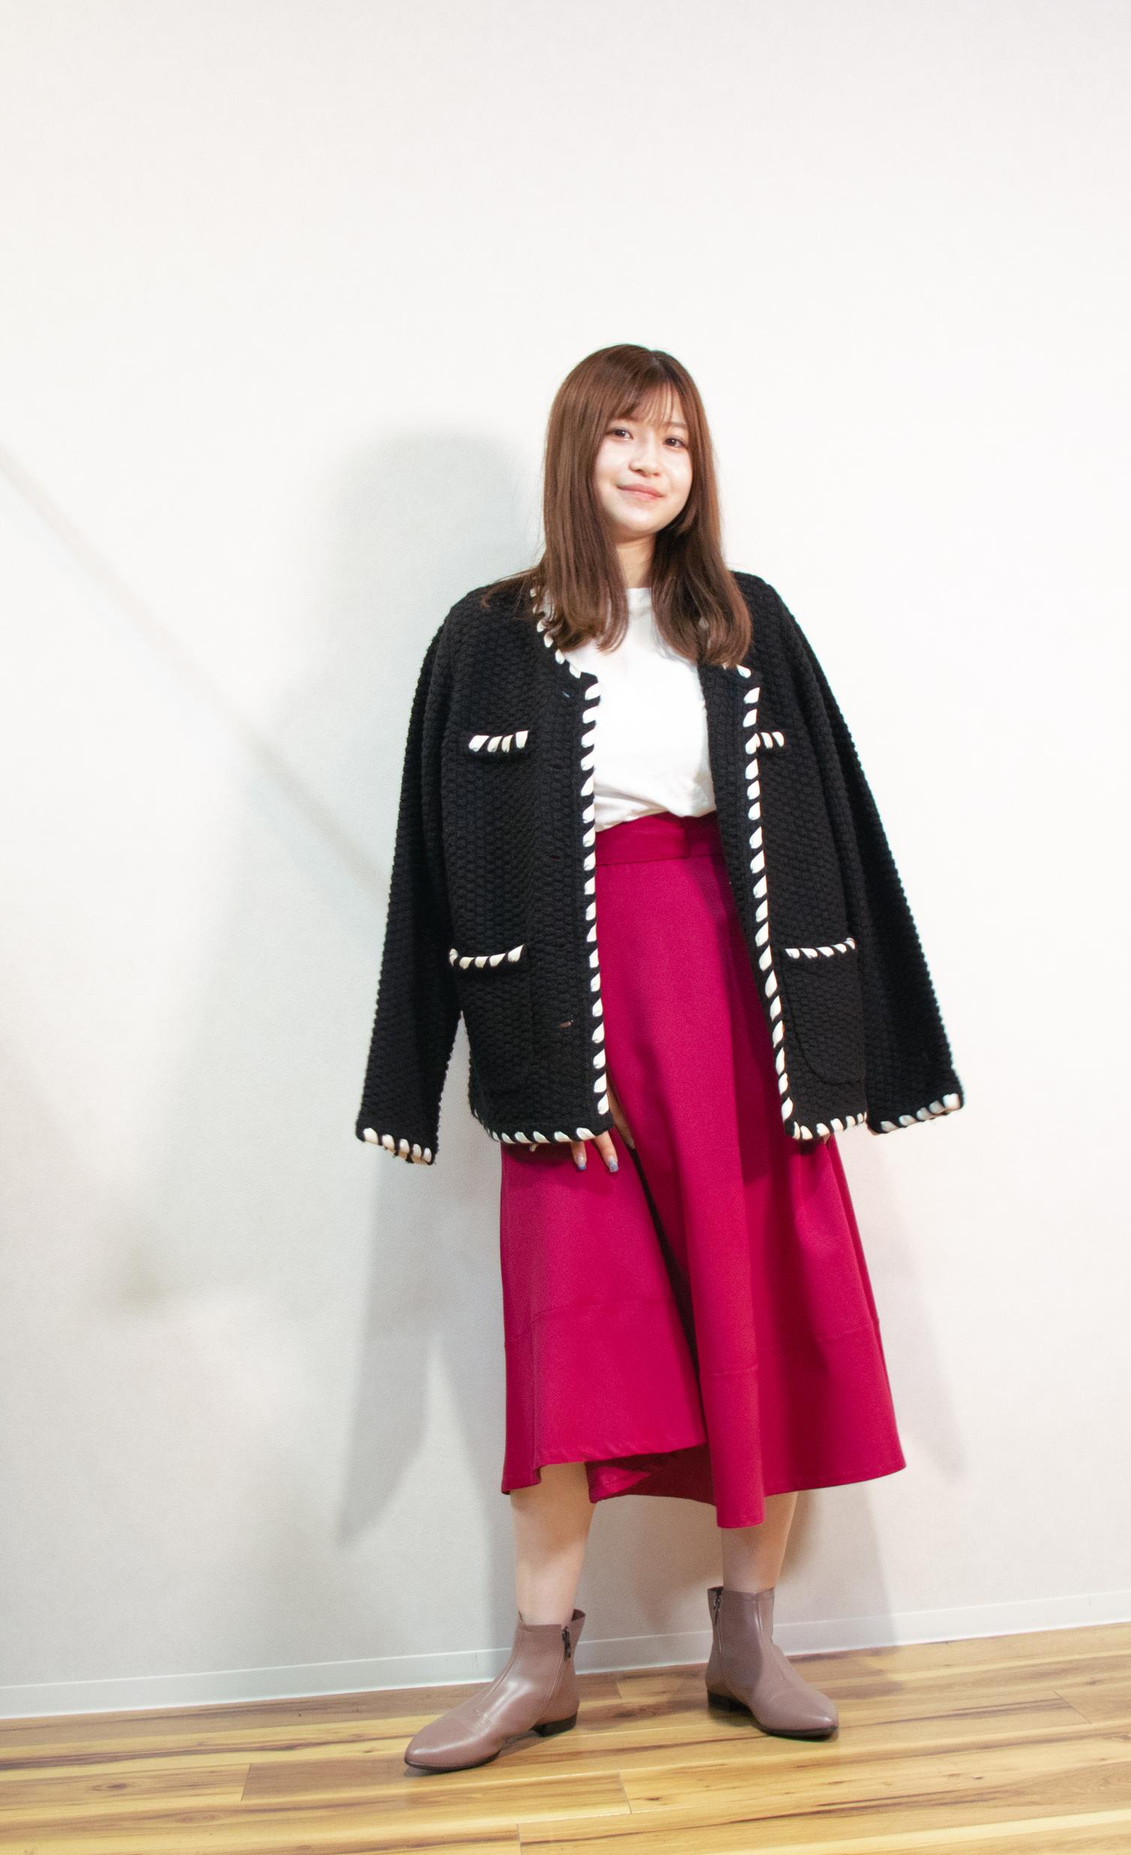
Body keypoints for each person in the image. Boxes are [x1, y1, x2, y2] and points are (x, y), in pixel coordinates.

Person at [355, 344, 964, 1772]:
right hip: (565, 1022)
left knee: (759, 1315)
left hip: (742, 1011)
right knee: (569, 1335)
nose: (650, 461)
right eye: (625, 432)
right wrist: (451, 1069)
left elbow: (841, 832)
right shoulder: (488, 635)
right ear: (575, 448)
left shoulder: (748, 621)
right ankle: (539, 1663)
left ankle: (749, 1637)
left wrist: (860, 1044)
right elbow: (436, 870)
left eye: (676, 440)